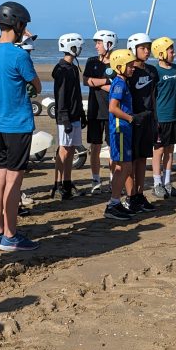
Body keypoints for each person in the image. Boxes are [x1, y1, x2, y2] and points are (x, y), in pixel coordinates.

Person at [0, 2, 41, 251]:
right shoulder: (19, 55)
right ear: (18, 24)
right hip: (18, 124)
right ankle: (10, 235)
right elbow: (36, 86)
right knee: (14, 182)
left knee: (0, 178)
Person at [126, 33, 158, 213]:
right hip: (132, 120)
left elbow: (154, 96)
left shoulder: (151, 71)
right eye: (143, 48)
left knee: (142, 159)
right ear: (133, 49)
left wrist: (155, 119)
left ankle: (139, 194)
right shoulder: (128, 71)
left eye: (148, 47)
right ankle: (130, 196)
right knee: (130, 160)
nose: (147, 51)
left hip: (148, 119)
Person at [104, 48, 137, 221]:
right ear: (119, 66)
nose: (132, 68)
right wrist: (130, 118)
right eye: (130, 65)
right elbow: (113, 107)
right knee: (122, 167)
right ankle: (113, 204)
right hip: (120, 129)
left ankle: (115, 202)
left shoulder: (123, 82)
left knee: (125, 167)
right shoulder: (119, 84)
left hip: (124, 129)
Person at [83, 30, 117, 193]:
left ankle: (113, 180)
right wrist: (105, 81)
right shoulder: (91, 61)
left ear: (108, 43)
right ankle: (95, 181)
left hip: (111, 111)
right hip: (95, 111)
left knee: (113, 148)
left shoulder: (117, 62)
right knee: (94, 147)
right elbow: (85, 81)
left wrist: (96, 83)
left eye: (98, 42)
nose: (96, 46)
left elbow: (115, 87)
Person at [52, 33, 86, 200]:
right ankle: (58, 184)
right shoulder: (61, 70)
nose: (80, 50)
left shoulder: (73, 67)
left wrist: (81, 113)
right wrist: (64, 118)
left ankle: (67, 182)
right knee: (63, 150)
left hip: (74, 115)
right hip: (64, 117)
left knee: (72, 149)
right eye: (79, 46)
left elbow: (76, 94)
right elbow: (61, 95)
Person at [151, 36, 176, 199]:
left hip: (172, 117)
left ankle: (167, 182)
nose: (174, 53)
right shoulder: (155, 71)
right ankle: (157, 183)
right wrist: (154, 118)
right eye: (171, 51)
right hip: (160, 117)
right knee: (159, 150)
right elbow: (153, 96)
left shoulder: (175, 69)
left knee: (170, 150)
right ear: (161, 53)